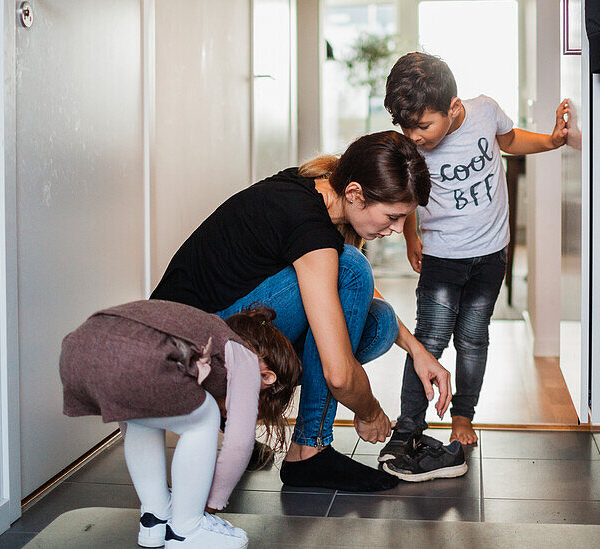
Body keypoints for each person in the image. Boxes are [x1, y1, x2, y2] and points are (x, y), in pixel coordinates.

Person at [150, 130, 452, 493]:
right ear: (355, 194)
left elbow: (353, 297)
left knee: (381, 323)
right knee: (352, 268)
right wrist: (370, 412)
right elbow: (339, 375)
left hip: (217, 329)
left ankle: (239, 419)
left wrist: (418, 351)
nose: (398, 229)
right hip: (179, 350)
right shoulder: (308, 224)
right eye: (392, 216)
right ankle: (310, 451)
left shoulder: (319, 190)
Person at [377, 52, 569, 482]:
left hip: (490, 258)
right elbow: (410, 191)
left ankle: (464, 415)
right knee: (428, 340)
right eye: (406, 128)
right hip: (442, 259)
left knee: (473, 338)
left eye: (423, 126)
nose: (415, 136)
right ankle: (409, 424)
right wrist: (411, 235)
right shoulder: (414, 146)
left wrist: (553, 141)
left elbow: (512, 139)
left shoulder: (484, 112)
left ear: (454, 108)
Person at [59, 302, 299, 549]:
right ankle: (187, 530)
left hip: (78, 349)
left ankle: (154, 519)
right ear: (267, 377)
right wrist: (210, 503)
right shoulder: (247, 358)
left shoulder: (202, 337)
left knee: (142, 417)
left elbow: (131, 416)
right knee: (204, 417)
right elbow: (239, 444)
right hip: (123, 353)